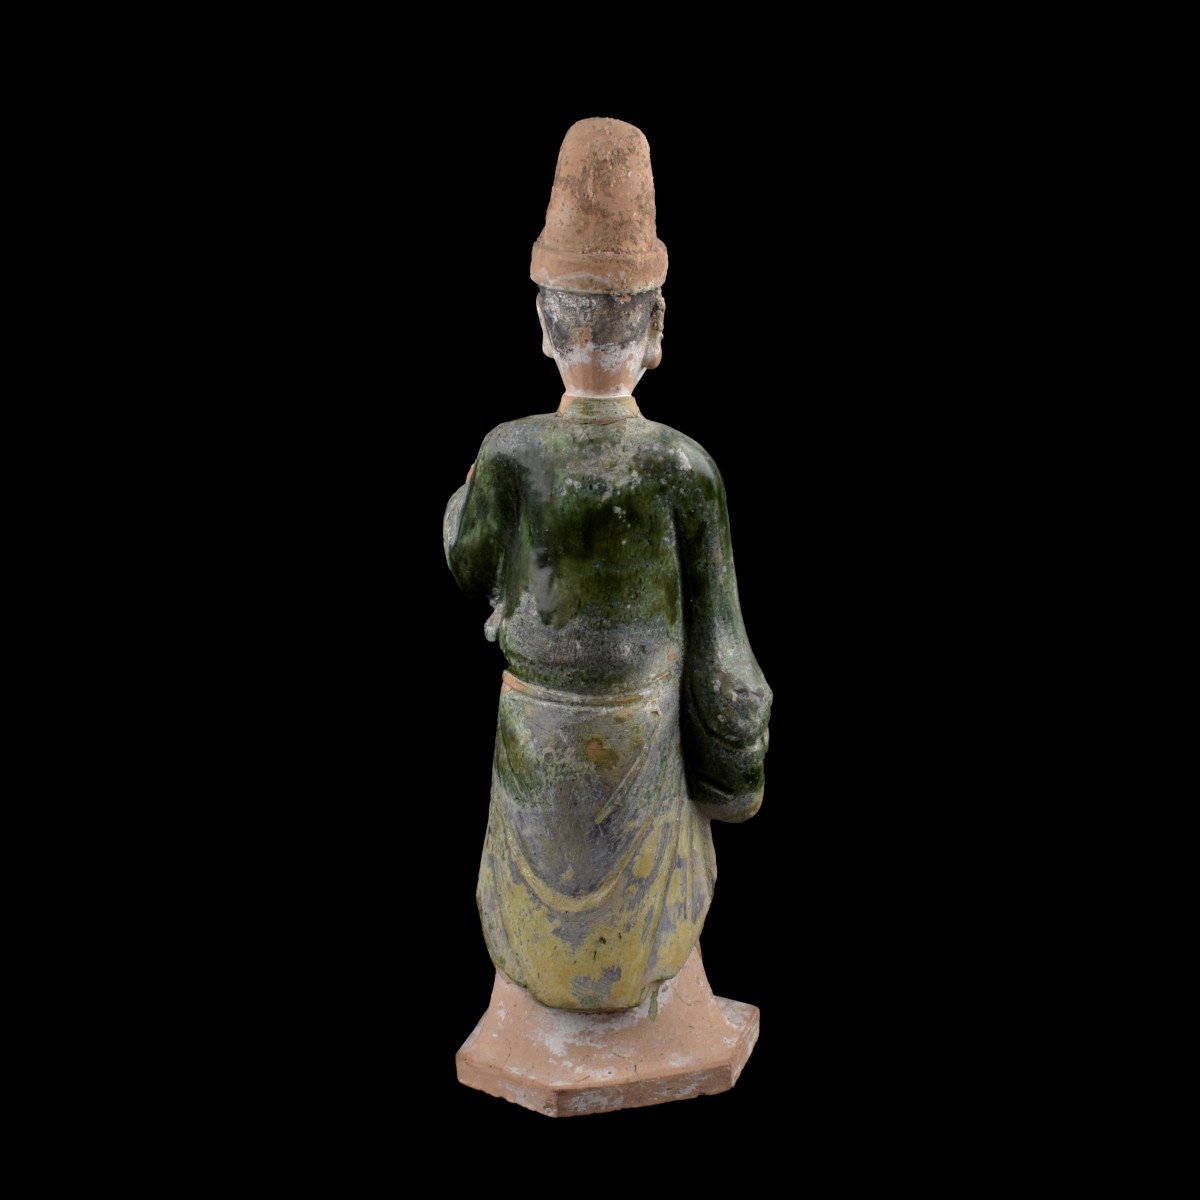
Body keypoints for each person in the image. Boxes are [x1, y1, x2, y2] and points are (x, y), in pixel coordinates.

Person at [443, 119, 770, 1013]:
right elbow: (726, 657)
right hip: (641, 746)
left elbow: (469, 566)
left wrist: (459, 504)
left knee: (532, 934)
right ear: (656, 327)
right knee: (647, 934)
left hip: (537, 741)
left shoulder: (507, 453)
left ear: (543, 325)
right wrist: (736, 770)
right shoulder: (683, 469)